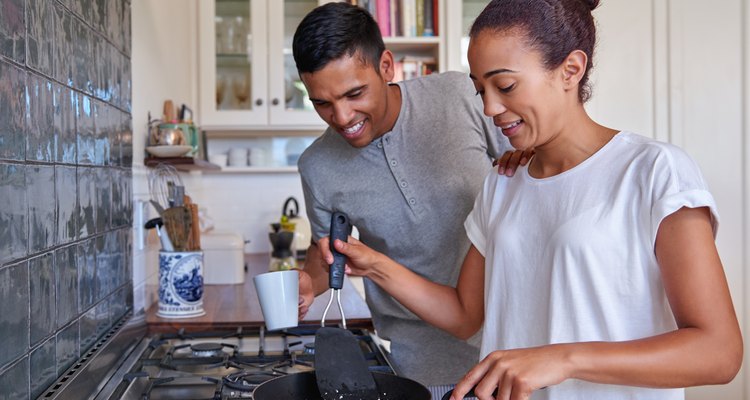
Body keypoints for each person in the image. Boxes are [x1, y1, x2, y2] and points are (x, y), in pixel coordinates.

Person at [318, 0, 743, 398]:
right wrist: (373, 264)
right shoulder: (503, 183)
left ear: (571, 70)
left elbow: (718, 352)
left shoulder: (652, 172)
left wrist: (564, 357)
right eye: (480, 90)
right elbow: (466, 314)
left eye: (505, 85)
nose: (489, 108)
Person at [291, 2, 529, 387]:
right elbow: (328, 253)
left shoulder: (458, 96)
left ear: (386, 66)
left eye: (354, 93)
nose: (342, 117)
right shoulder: (317, 167)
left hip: (513, 347)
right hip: (416, 368)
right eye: (322, 103)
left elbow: (529, 168)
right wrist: (307, 282)